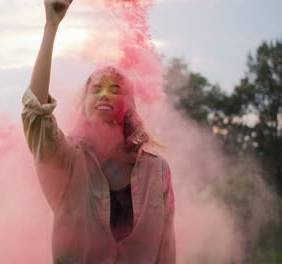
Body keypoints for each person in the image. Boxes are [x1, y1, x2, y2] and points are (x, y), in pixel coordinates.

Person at [22, 0, 175, 263]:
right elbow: (35, 113)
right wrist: (51, 26)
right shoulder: (68, 162)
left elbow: (166, 250)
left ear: (129, 106)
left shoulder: (157, 171)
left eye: (115, 89)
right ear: (84, 105)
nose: (105, 94)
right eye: (96, 89)